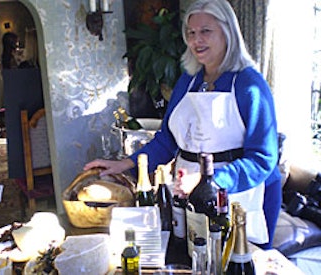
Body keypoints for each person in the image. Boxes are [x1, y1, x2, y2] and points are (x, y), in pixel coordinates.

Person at [84, 0, 281, 250]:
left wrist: (209, 181)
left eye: (206, 31)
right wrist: (127, 163)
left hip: (239, 195)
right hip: (187, 191)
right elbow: (168, 139)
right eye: (191, 33)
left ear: (228, 31)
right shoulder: (189, 80)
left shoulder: (249, 84)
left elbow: (263, 158)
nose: (197, 40)